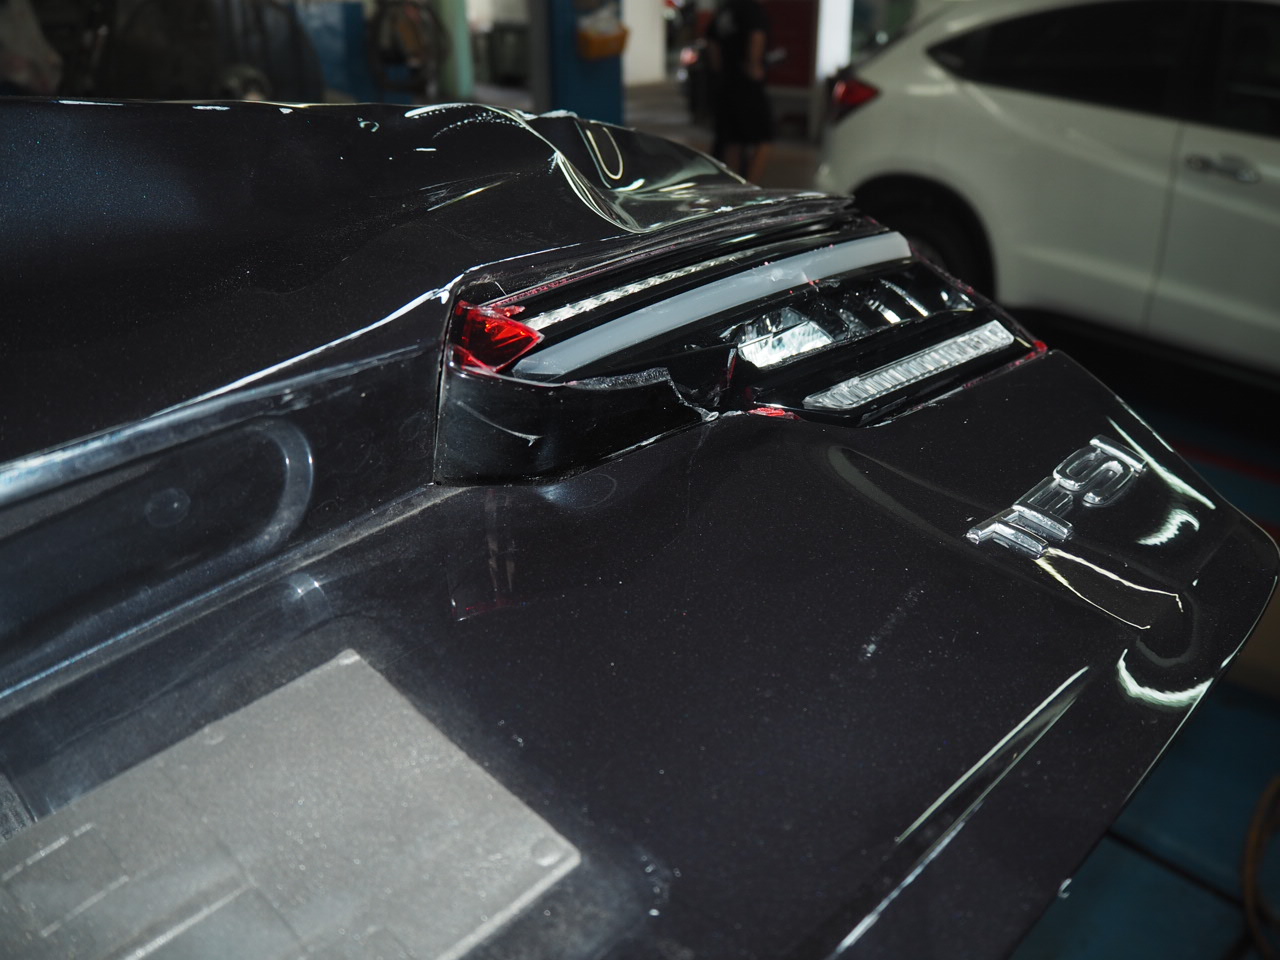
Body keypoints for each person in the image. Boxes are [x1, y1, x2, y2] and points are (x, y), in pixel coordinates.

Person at [704, 0, 772, 183]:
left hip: (727, 83)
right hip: (747, 84)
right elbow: (756, 36)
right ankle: (750, 187)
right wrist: (754, 66)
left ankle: (732, 186)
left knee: (732, 140)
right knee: (763, 138)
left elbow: (712, 43)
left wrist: (720, 71)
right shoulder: (753, 9)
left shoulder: (726, 10)